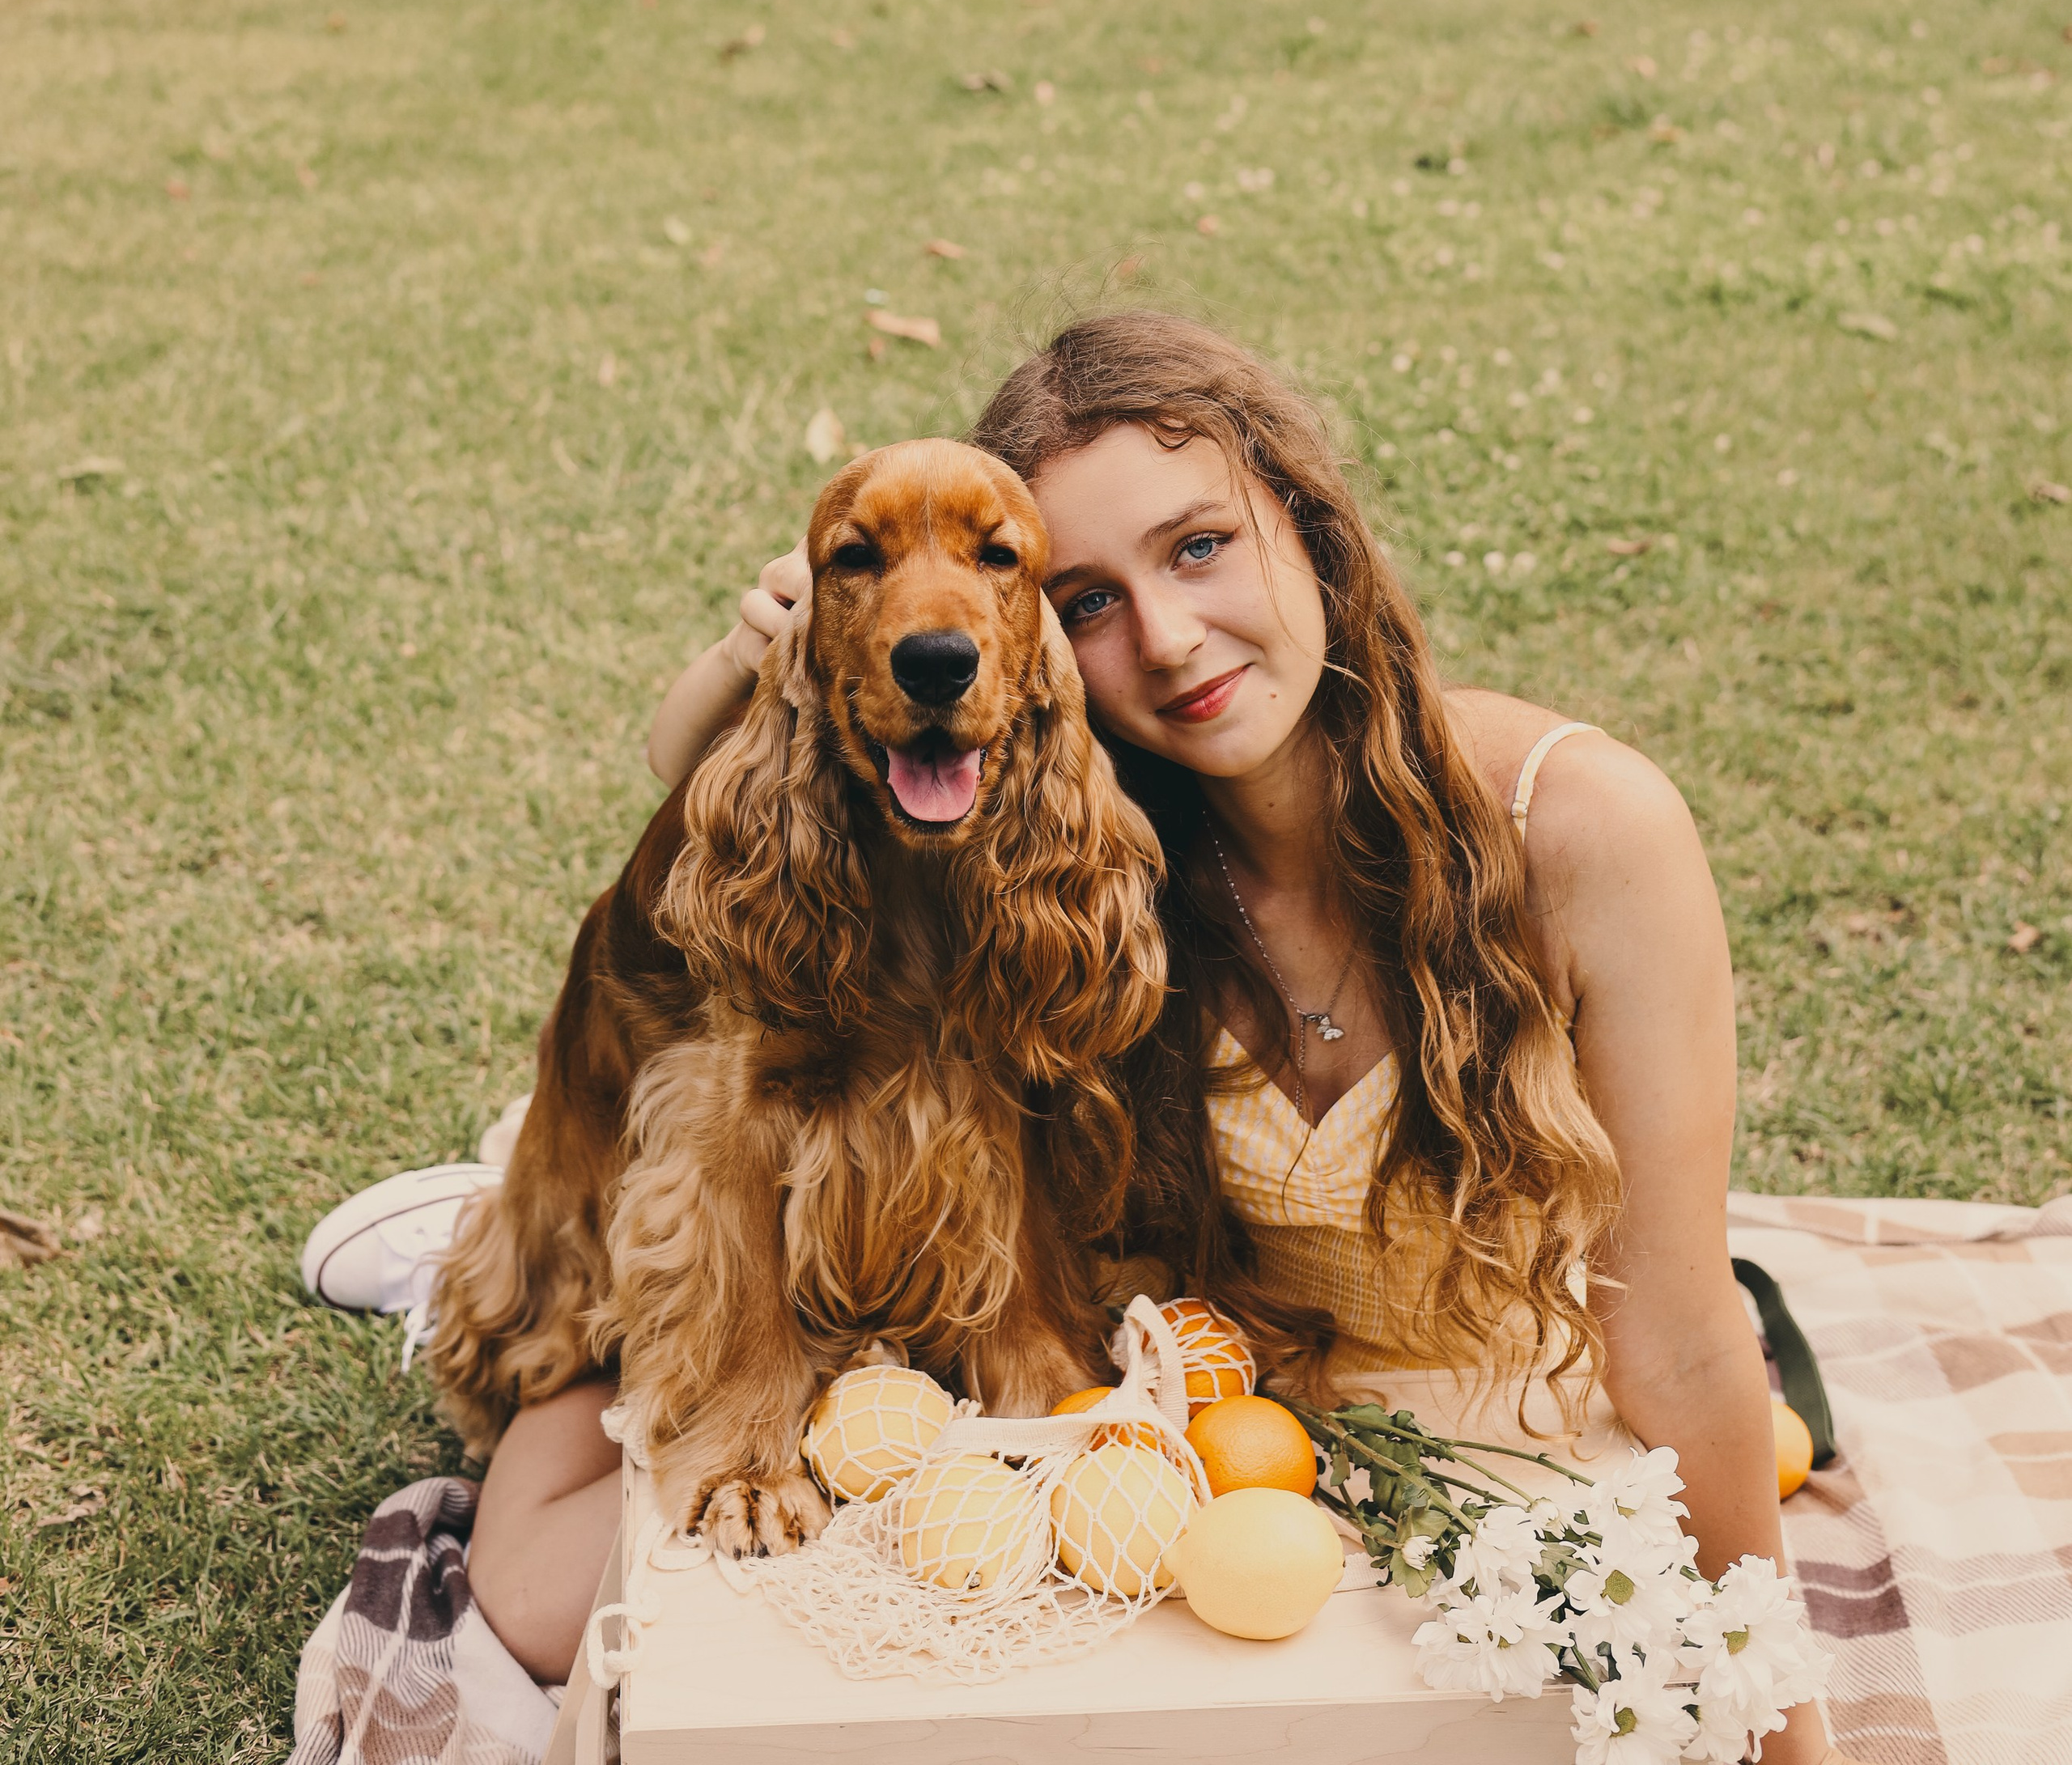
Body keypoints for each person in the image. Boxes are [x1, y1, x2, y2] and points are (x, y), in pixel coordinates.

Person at [307, 315, 1842, 1758]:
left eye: (1201, 546)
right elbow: (710, 822)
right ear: (1041, 639)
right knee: (532, 1591)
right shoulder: (1098, 839)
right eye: (1092, 600)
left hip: (1419, 1455)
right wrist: (774, 638)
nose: (1168, 638)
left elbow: (1684, 1333)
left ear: (1306, 524)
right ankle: (523, 1237)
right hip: (1180, 1403)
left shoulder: (1572, 827)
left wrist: (1778, 1718)